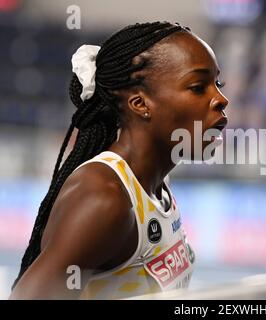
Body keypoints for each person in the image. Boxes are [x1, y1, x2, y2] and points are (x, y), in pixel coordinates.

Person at [9, 21, 229, 299]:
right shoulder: (105, 198)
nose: (221, 99)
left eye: (217, 83)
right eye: (198, 87)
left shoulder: (154, 184)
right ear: (140, 104)